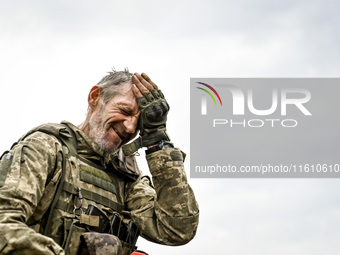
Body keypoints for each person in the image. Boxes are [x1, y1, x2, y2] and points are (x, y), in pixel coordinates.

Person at [0, 69, 199, 255]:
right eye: (126, 111)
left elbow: (177, 229)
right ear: (95, 97)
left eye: (138, 123)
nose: (130, 128)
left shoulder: (127, 176)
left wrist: (158, 141)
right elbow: (3, 224)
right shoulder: (46, 148)